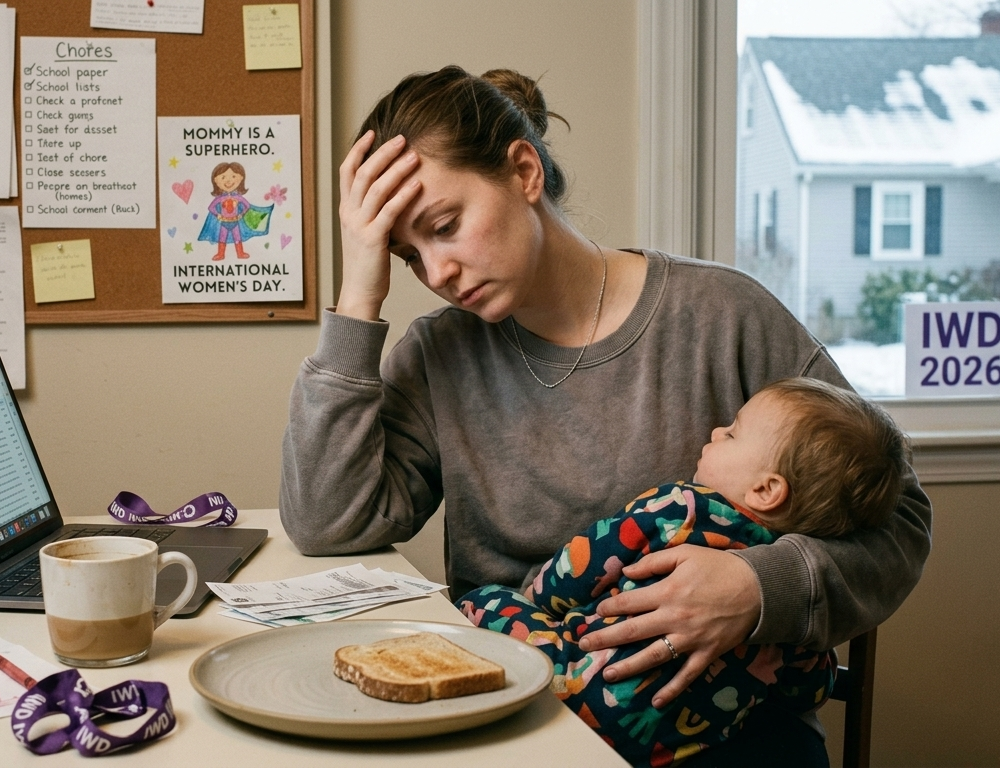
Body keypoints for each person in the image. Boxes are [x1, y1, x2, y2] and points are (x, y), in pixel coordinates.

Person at [280, 65, 931, 765]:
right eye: (408, 255)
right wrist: (359, 296)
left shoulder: (725, 317)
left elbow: (899, 520)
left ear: (524, 171)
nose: (436, 273)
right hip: (511, 716)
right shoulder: (440, 353)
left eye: (446, 227)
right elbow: (326, 524)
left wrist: (758, 587)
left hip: (723, 723)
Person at [459, 377, 910, 766]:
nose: (715, 431)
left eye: (732, 434)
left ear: (766, 489)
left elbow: (585, 563)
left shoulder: (681, 507)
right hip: (667, 749)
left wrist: (536, 603)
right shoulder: (791, 616)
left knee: (484, 600)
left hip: (576, 687)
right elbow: (809, 690)